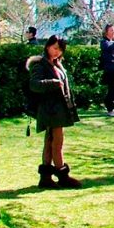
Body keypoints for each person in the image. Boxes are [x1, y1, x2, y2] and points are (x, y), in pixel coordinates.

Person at [27, 35, 81, 189]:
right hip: (50, 108)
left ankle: (47, 177)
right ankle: (61, 174)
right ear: (48, 46)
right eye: (55, 48)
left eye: (60, 49)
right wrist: (53, 83)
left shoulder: (56, 63)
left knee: (52, 141)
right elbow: (34, 84)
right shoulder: (40, 64)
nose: (57, 52)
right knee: (56, 141)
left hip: (58, 108)